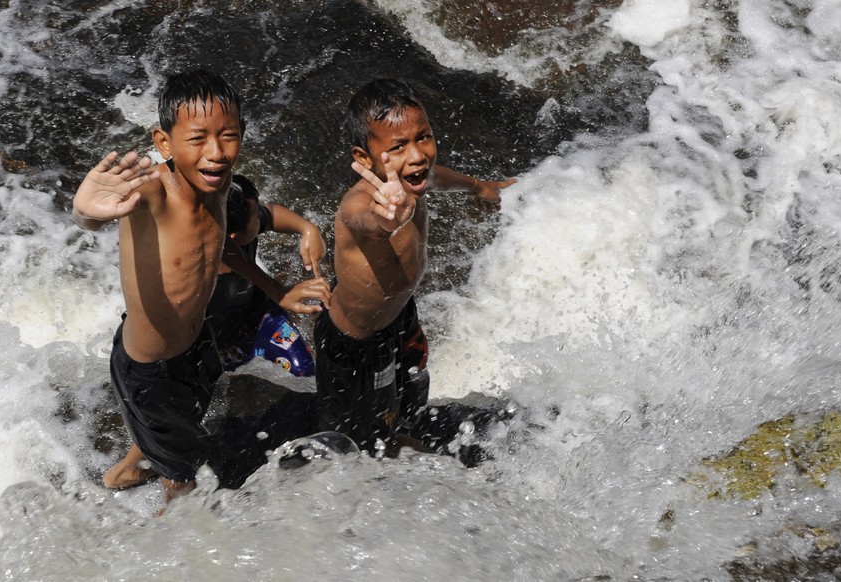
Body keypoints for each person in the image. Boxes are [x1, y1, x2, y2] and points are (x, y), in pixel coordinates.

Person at [71, 70, 330, 511]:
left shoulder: (220, 184)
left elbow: (246, 227)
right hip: (150, 370)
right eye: (197, 139)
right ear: (165, 142)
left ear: (242, 135)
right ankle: (171, 530)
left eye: (227, 136)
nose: (215, 152)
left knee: (181, 421)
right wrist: (84, 210)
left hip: (195, 344)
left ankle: (130, 468)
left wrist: (288, 264)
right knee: (187, 477)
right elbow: (95, 215)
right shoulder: (154, 190)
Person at [315, 78, 516, 455]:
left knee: (412, 395)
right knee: (362, 444)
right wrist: (387, 221)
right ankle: (389, 449)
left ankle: (404, 422)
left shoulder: (414, 179)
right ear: (364, 158)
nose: (417, 155)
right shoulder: (362, 203)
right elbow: (364, 221)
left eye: (423, 137)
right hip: (356, 346)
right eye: (397, 147)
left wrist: (476, 187)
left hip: (399, 318)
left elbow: (437, 177)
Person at [207, 174, 324, 377]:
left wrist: (308, 229)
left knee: (305, 370)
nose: (261, 214)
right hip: (212, 345)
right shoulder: (197, 268)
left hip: (258, 318)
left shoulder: (240, 226)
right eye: (256, 214)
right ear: (234, 237)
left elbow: (272, 213)